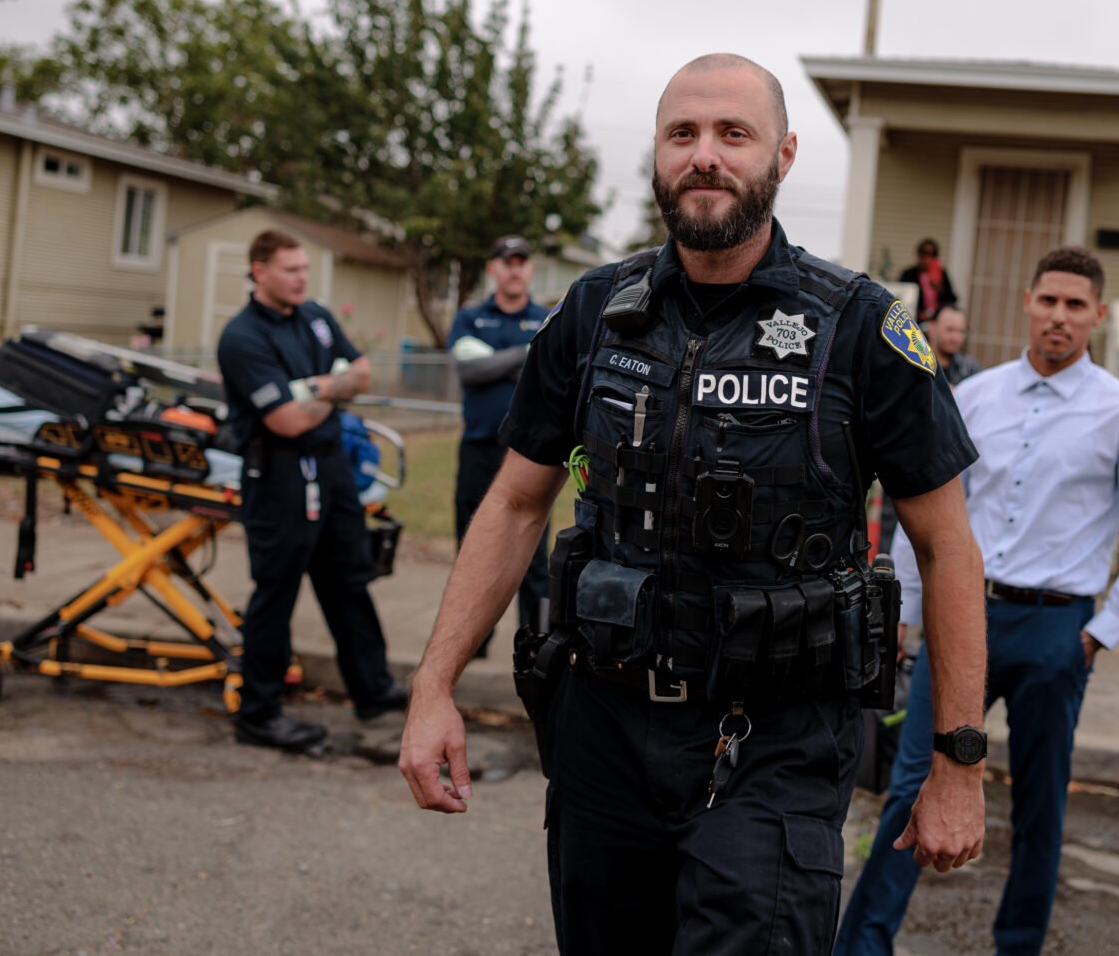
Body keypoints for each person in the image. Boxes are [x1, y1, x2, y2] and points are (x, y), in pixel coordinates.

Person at [400, 53, 989, 954]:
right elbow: (517, 503)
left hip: (775, 740)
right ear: (659, 154)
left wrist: (957, 760)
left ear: (782, 156)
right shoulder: (596, 310)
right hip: (603, 725)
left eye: (732, 134)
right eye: (683, 134)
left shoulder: (861, 328)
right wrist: (433, 685)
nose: (705, 155)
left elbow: (947, 548)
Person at [835, 246, 1119, 956]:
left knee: (1038, 805)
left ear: (1098, 315)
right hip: (961, 617)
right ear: (1028, 302)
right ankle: (861, 945)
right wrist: (906, 614)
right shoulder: (973, 396)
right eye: (1048, 300)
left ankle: (1017, 946)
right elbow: (926, 514)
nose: (1059, 317)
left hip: (1055, 629)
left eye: (1075, 305)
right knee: (913, 784)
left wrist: (1093, 636)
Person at [217, 230, 408, 751]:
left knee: (350, 578)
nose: (302, 277)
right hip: (278, 475)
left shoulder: (316, 317)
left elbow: (363, 374)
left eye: (304, 268)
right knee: (276, 593)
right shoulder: (242, 337)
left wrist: (317, 389)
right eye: (290, 269)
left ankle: (373, 689)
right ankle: (259, 713)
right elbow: (284, 421)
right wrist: (333, 389)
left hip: (330, 467)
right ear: (260, 271)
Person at [447, 234, 552, 655]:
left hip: (531, 454)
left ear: (530, 269)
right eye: (507, 261)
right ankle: (473, 641)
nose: (514, 268)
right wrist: (525, 356)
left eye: (522, 261)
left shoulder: (548, 317)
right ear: (493, 268)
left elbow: (550, 376)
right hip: (477, 449)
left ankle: (536, 647)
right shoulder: (470, 317)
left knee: (533, 560)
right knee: (470, 553)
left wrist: (497, 360)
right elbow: (470, 372)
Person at [898, 239, 956, 323]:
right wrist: (919, 314)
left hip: (937, 321)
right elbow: (901, 299)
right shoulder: (909, 274)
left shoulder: (942, 274)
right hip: (914, 320)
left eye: (932, 254)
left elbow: (951, 300)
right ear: (918, 255)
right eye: (924, 253)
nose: (927, 258)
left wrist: (940, 288)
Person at [926, 304, 982, 386]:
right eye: (950, 330)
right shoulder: (915, 365)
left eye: (962, 331)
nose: (957, 338)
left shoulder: (970, 368)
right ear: (932, 329)